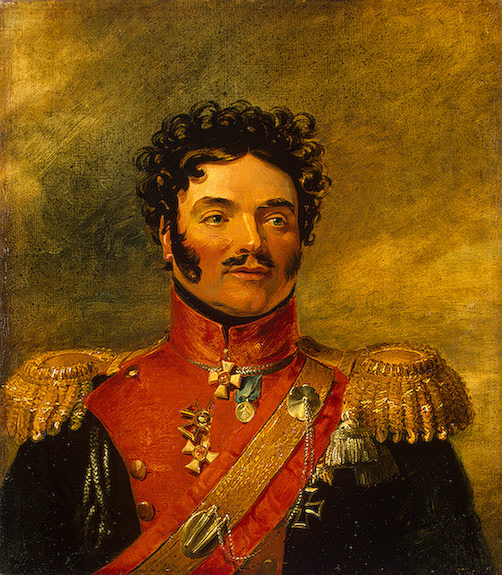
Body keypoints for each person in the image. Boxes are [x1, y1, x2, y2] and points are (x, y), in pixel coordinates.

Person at [0, 101, 493, 574]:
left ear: (301, 237)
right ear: (169, 237)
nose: (253, 241)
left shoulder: (381, 402)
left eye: (276, 219)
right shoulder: (83, 410)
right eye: (217, 217)